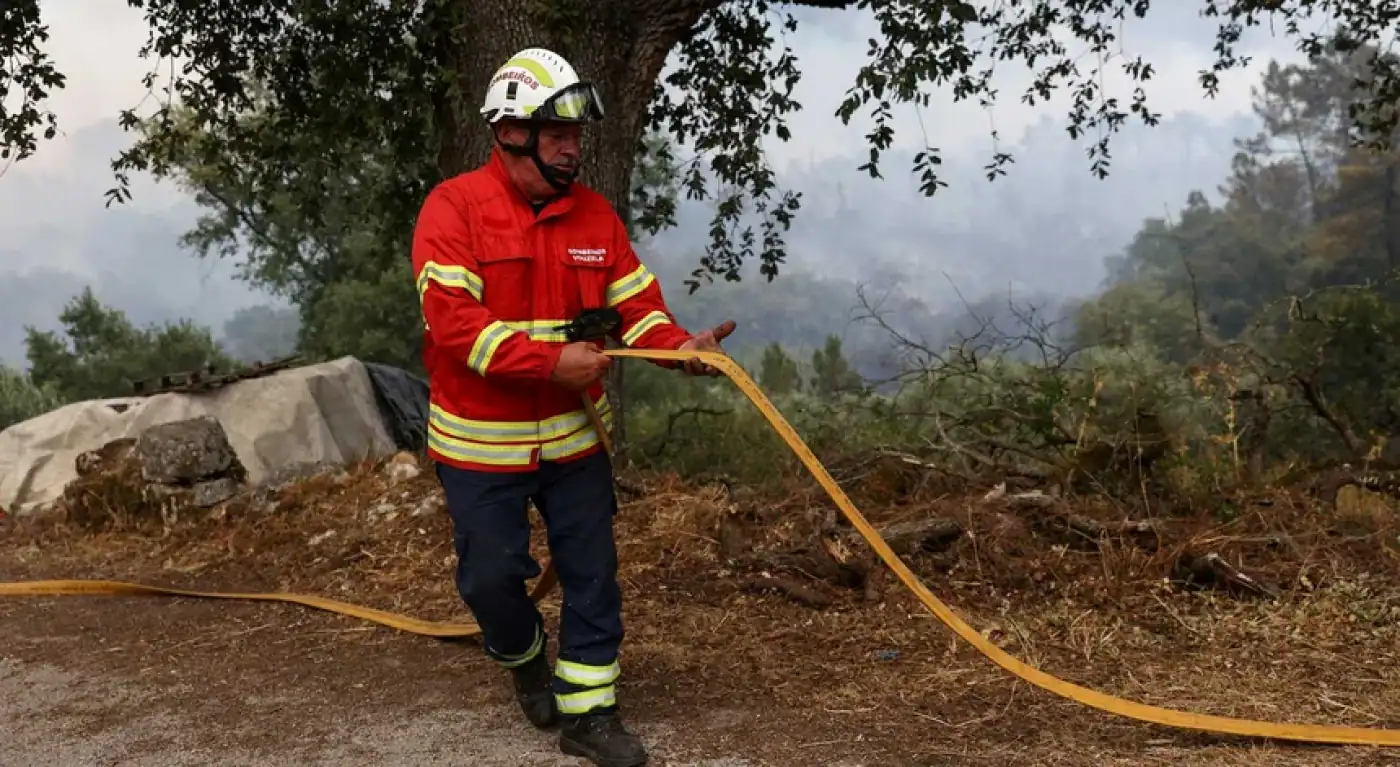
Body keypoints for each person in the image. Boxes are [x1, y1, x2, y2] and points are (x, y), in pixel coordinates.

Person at [410, 47, 734, 767]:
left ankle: (590, 711)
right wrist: (551, 360)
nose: (573, 145)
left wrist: (679, 347)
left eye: (577, 132)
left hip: (576, 442)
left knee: (592, 571)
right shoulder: (453, 210)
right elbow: (455, 324)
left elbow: (639, 309)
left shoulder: (596, 218)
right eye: (556, 131)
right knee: (490, 578)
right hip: (479, 446)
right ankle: (522, 654)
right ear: (510, 132)